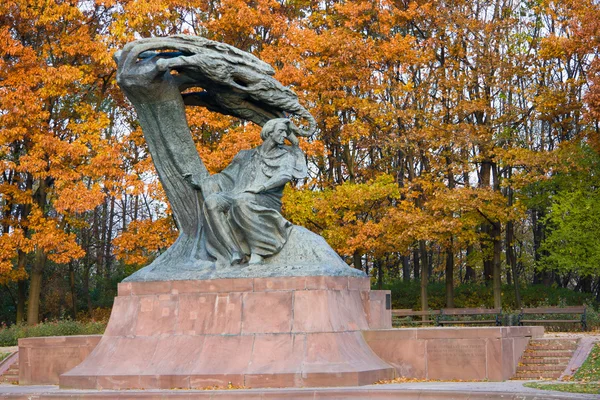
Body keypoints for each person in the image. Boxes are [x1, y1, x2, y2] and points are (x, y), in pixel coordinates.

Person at [187, 118, 307, 266]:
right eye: (281, 131)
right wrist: (203, 183)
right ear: (270, 132)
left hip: (265, 197)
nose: (284, 135)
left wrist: (262, 187)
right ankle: (234, 252)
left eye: (286, 133)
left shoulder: (285, 156)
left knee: (242, 201)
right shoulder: (245, 155)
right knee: (212, 202)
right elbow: (225, 176)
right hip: (238, 193)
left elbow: (285, 175)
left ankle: (259, 250)